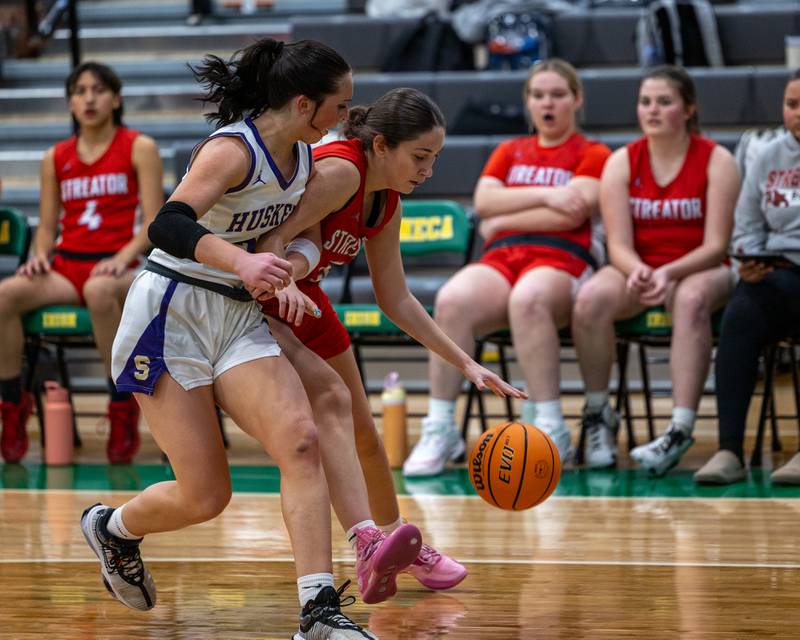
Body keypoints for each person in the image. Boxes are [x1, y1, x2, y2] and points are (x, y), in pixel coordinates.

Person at [79, 38, 417, 640]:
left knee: (302, 440)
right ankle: (113, 529)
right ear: (305, 103)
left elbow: (301, 238)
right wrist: (242, 263)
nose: (346, 121)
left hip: (237, 318)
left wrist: (291, 265)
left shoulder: (308, 161)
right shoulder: (233, 150)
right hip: (170, 315)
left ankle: (317, 611)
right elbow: (168, 223)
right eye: (339, 108)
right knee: (206, 495)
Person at [257, 87, 525, 590]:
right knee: (316, 432)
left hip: (305, 297)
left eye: (435, 159)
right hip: (256, 295)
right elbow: (270, 232)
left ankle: (393, 546)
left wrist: (466, 363)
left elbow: (396, 299)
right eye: (420, 157)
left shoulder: (385, 200)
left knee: (367, 436)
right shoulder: (341, 171)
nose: (427, 170)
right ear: (380, 145)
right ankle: (366, 548)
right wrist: (285, 278)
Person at [401, 59, 610, 477]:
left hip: (563, 256)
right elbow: (484, 205)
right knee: (452, 299)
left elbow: (575, 212)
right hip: (503, 257)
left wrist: (508, 213)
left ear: (577, 99)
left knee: (529, 299)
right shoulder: (508, 151)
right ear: (527, 103)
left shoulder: (594, 152)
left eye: (557, 94)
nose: (547, 103)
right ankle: (441, 425)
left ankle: (550, 426)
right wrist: (551, 196)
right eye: (537, 95)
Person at [571, 65, 741, 476]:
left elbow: (717, 244)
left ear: (688, 108)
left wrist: (669, 273)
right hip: (641, 268)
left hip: (704, 267)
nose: (652, 110)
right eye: (646, 101)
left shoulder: (717, 160)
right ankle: (599, 415)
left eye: (664, 102)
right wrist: (640, 271)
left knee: (691, 298)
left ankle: (679, 428)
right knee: (590, 299)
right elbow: (618, 245)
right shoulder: (622, 162)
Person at [0, 61, 163, 464]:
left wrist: (122, 257)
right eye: (80, 90)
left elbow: (156, 221)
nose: (89, 98)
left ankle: (121, 406)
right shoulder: (55, 156)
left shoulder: (139, 146)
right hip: (68, 264)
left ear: (116, 98)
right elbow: (46, 225)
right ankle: (11, 407)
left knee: (99, 288)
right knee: (5, 295)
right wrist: (39, 256)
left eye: (99, 89)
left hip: (121, 266)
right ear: (70, 102)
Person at [694, 70, 800, 485]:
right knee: (740, 315)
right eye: (792, 105)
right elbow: (747, 225)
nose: (798, 113)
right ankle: (729, 450)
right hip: (776, 273)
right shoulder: (768, 157)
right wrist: (749, 258)